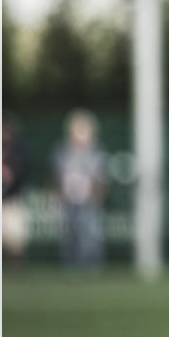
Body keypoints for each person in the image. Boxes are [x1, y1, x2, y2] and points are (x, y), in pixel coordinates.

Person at [52, 109, 107, 269]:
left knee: (90, 238)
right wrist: (56, 199)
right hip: (68, 202)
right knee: (70, 238)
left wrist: (98, 198)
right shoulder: (62, 153)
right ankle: (71, 269)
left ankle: (91, 269)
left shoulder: (96, 153)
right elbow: (57, 178)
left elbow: (100, 179)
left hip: (88, 202)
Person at [2, 117, 30, 269]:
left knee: (14, 240)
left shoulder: (16, 153)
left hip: (10, 201)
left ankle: (16, 268)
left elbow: (18, 175)